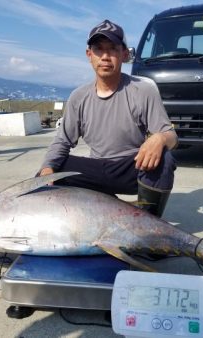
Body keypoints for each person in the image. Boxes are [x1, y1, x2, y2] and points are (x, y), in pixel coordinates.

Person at [39, 19, 178, 217]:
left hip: (131, 168)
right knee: (50, 170)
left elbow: (172, 136)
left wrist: (161, 138)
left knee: (164, 158)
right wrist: (47, 169)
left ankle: (148, 222)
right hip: (96, 170)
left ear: (124, 54)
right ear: (89, 55)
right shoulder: (79, 96)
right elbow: (62, 141)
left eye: (112, 49)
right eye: (99, 49)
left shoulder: (144, 90)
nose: (105, 56)